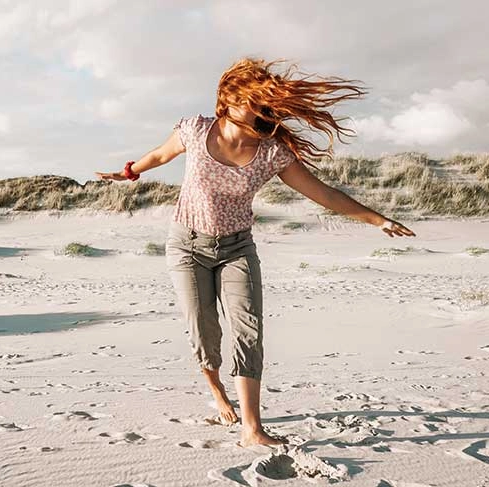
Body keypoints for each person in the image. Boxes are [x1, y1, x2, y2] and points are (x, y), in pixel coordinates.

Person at [94, 57, 416, 449]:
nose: (262, 110)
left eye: (266, 103)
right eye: (254, 101)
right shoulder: (195, 130)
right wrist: (129, 172)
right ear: (227, 100)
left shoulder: (271, 152)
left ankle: (252, 427)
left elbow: (323, 194)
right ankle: (216, 391)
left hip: (236, 248)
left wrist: (376, 220)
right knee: (204, 330)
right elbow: (160, 156)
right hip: (187, 246)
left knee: (249, 331)